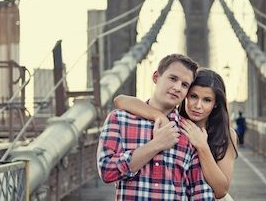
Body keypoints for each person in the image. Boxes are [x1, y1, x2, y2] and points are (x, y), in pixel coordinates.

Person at [97, 54, 214, 200]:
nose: (177, 87)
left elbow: (200, 192)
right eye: (172, 78)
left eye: (185, 85)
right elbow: (107, 171)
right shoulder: (120, 119)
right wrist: (156, 145)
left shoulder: (189, 131)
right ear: (156, 77)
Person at [114, 68, 238, 200]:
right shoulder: (172, 123)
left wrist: (202, 146)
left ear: (215, 104)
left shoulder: (226, 134)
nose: (198, 105)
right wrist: (159, 116)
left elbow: (221, 190)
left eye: (207, 100)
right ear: (185, 95)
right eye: (193, 96)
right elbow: (120, 100)